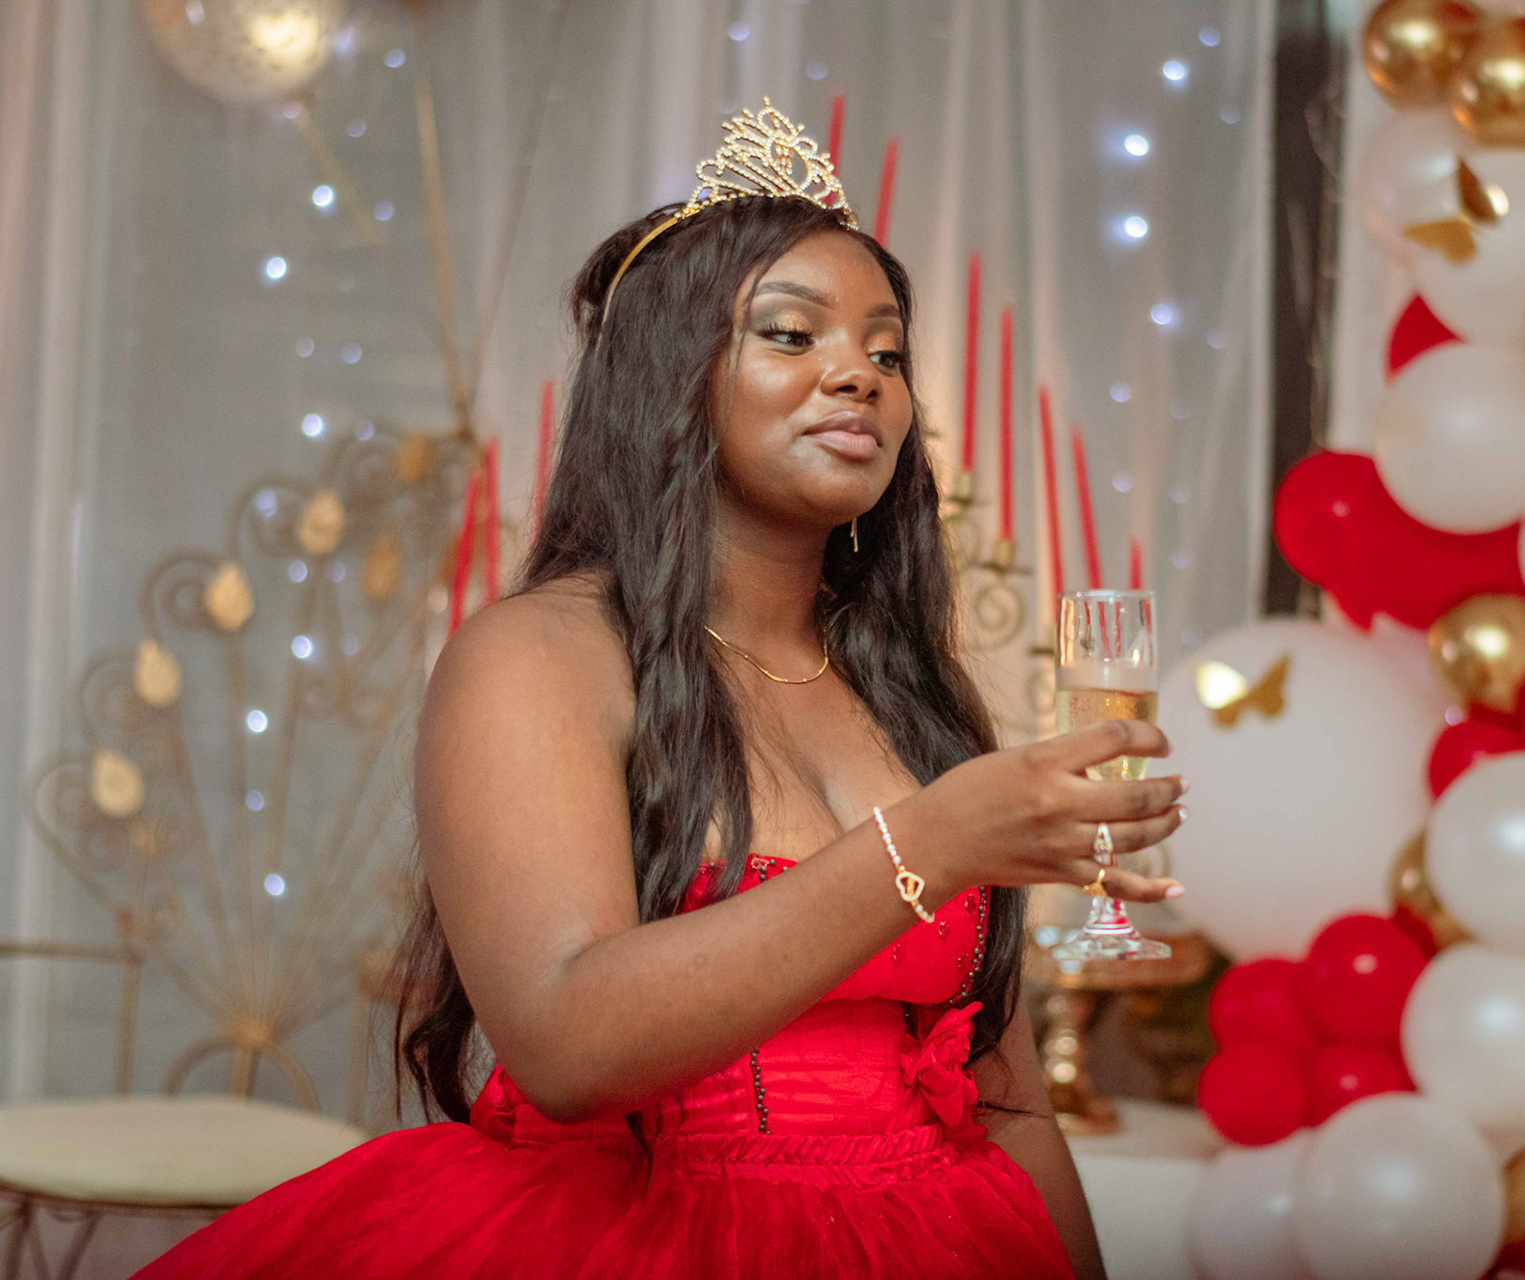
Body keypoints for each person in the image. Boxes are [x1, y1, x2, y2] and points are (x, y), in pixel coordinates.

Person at [137, 101, 1188, 1279]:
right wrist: (932, 843)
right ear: (671, 378)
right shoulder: (539, 657)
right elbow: (565, 1042)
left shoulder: (911, 692)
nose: (860, 374)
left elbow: (1006, 1100)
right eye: (792, 334)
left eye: (888, 353)